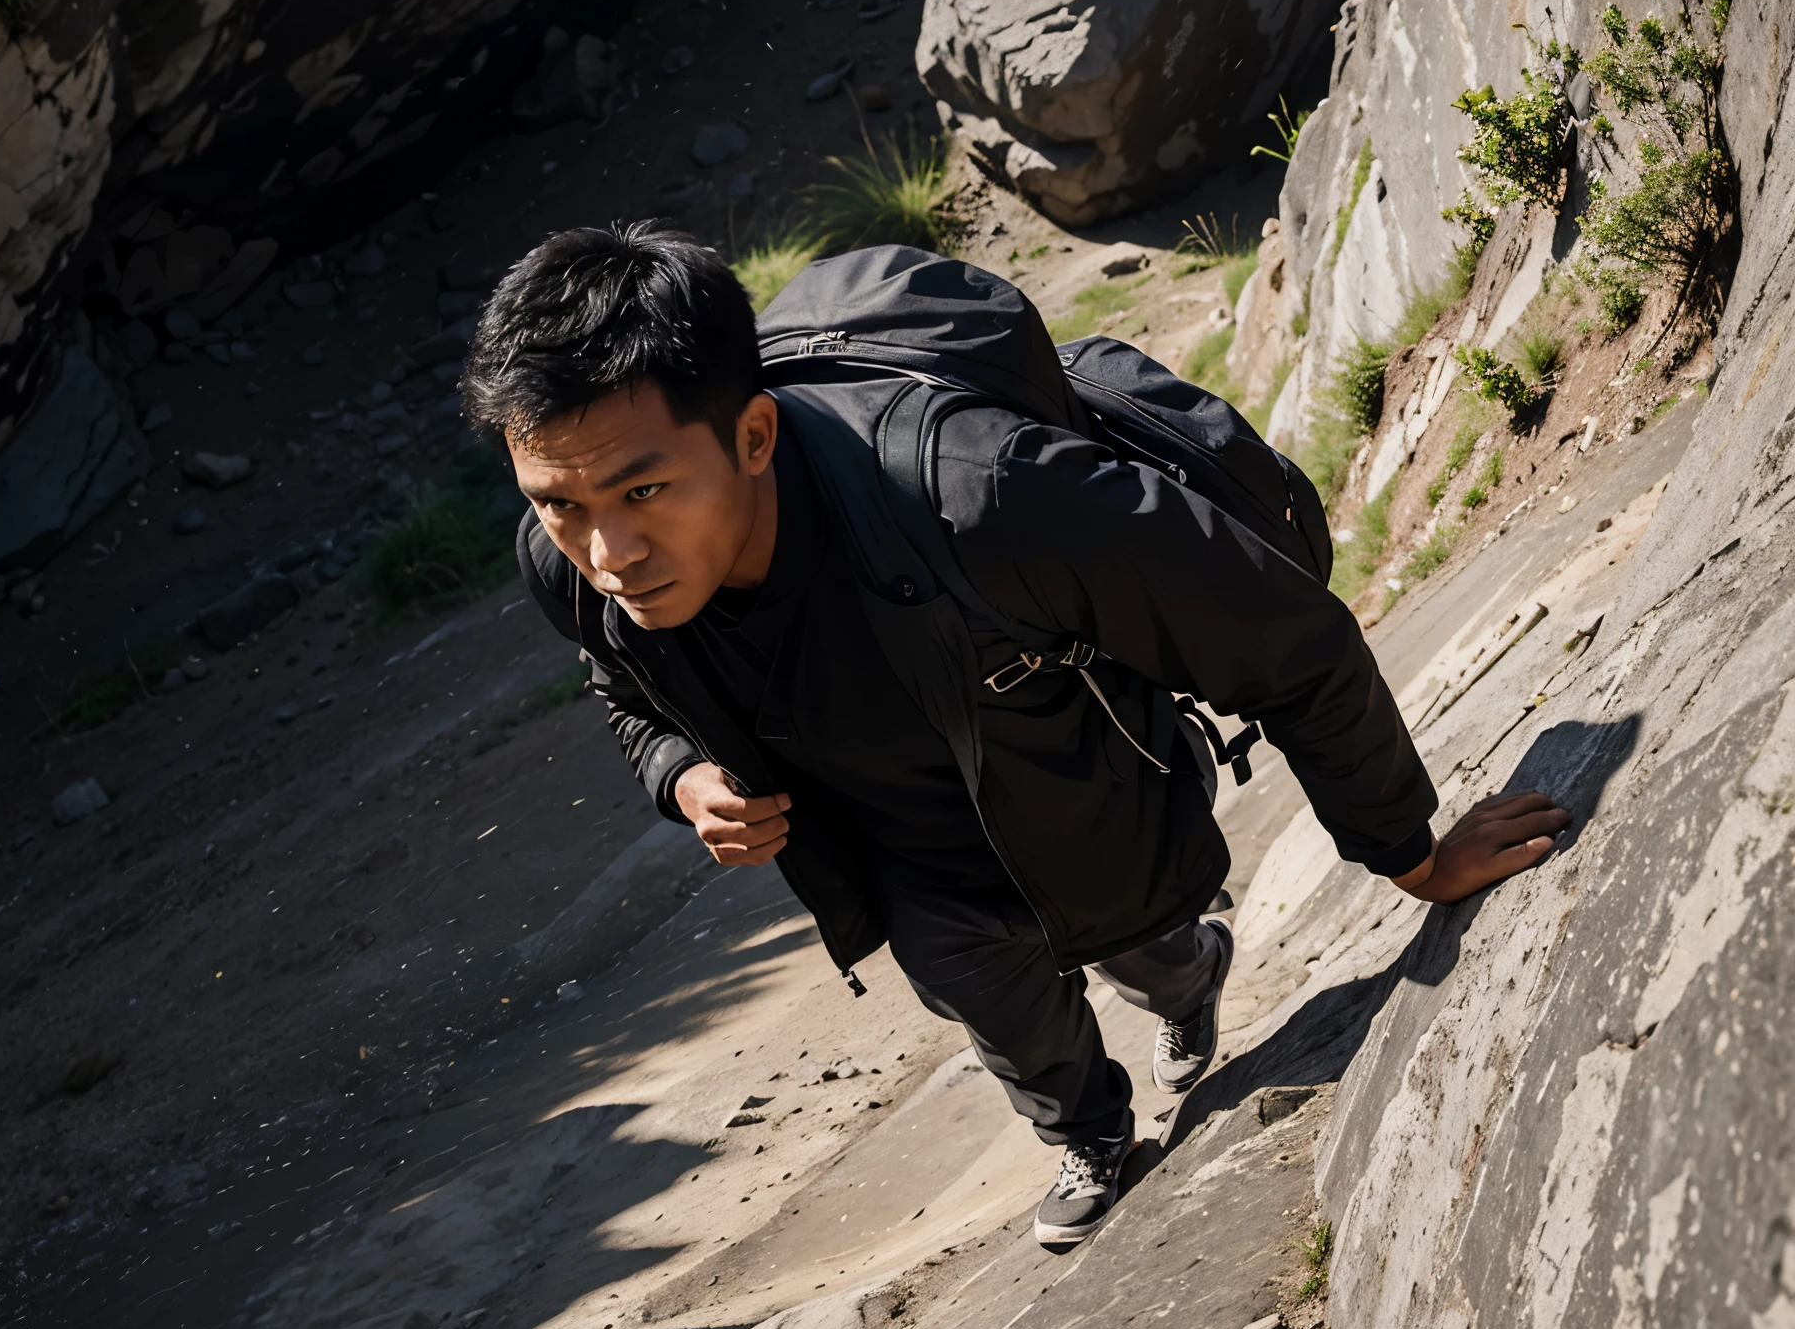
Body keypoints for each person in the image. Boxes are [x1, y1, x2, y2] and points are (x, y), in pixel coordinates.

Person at [464, 223, 1568, 1249]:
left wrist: (1411, 855)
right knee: (992, 1002)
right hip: (909, 861)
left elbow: (1280, 634)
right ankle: (1087, 1132)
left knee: (1143, 934)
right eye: (558, 502)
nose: (606, 548)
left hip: (1082, 790)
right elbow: (622, 687)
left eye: (642, 488)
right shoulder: (565, 556)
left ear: (753, 433)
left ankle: (1188, 978)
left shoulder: (982, 496)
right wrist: (680, 772)